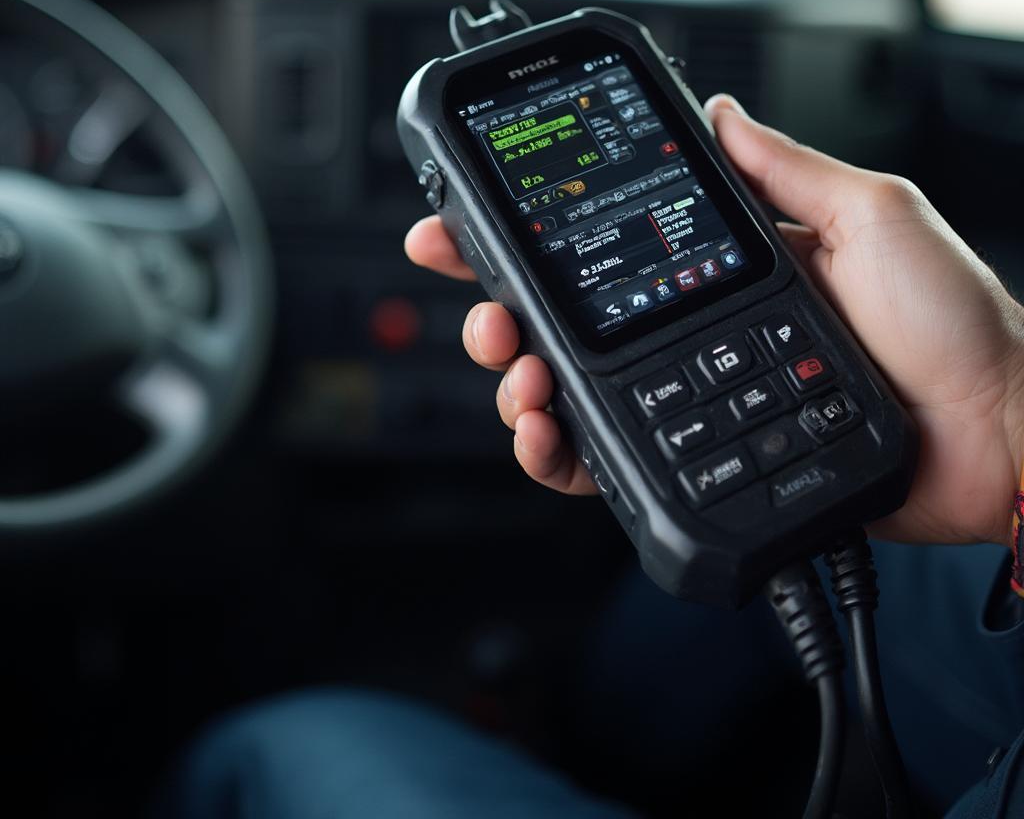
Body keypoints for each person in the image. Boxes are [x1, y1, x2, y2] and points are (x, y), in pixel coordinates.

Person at [155, 96, 1024, 818]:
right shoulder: (985, 419)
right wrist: (1004, 411)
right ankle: (594, 754)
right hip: (967, 459)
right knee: (766, 555)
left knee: (280, 745)